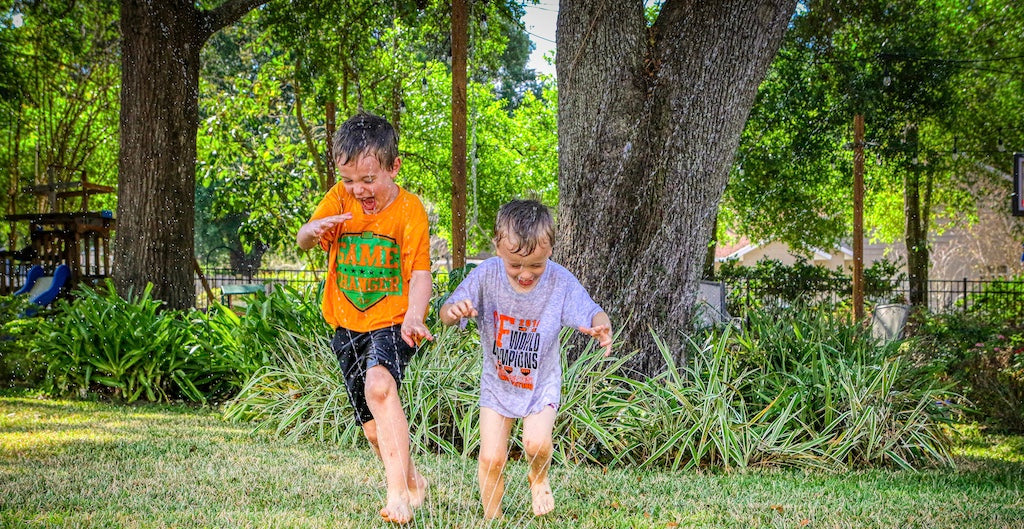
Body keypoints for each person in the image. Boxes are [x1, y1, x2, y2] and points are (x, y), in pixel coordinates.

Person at [296, 111, 432, 525]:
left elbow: (421, 273)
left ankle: (397, 498)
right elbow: (303, 239)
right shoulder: (339, 198)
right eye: (349, 179)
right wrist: (314, 230)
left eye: (368, 180)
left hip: (392, 320)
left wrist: (414, 316)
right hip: (346, 323)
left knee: (380, 387)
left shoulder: (410, 212)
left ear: (394, 167)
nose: (358, 190)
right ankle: (412, 482)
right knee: (373, 428)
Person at [438, 199, 613, 519]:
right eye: (515, 265)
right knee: (491, 458)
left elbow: (591, 310)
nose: (525, 274)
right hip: (497, 385)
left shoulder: (559, 281)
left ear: (550, 252)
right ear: (498, 248)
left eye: (536, 265)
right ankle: (494, 518)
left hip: (541, 384)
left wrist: (602, 325)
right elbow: (447, 312)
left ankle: (539, 478)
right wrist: (455, 311)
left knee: (536, 443)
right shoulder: (486, 275)